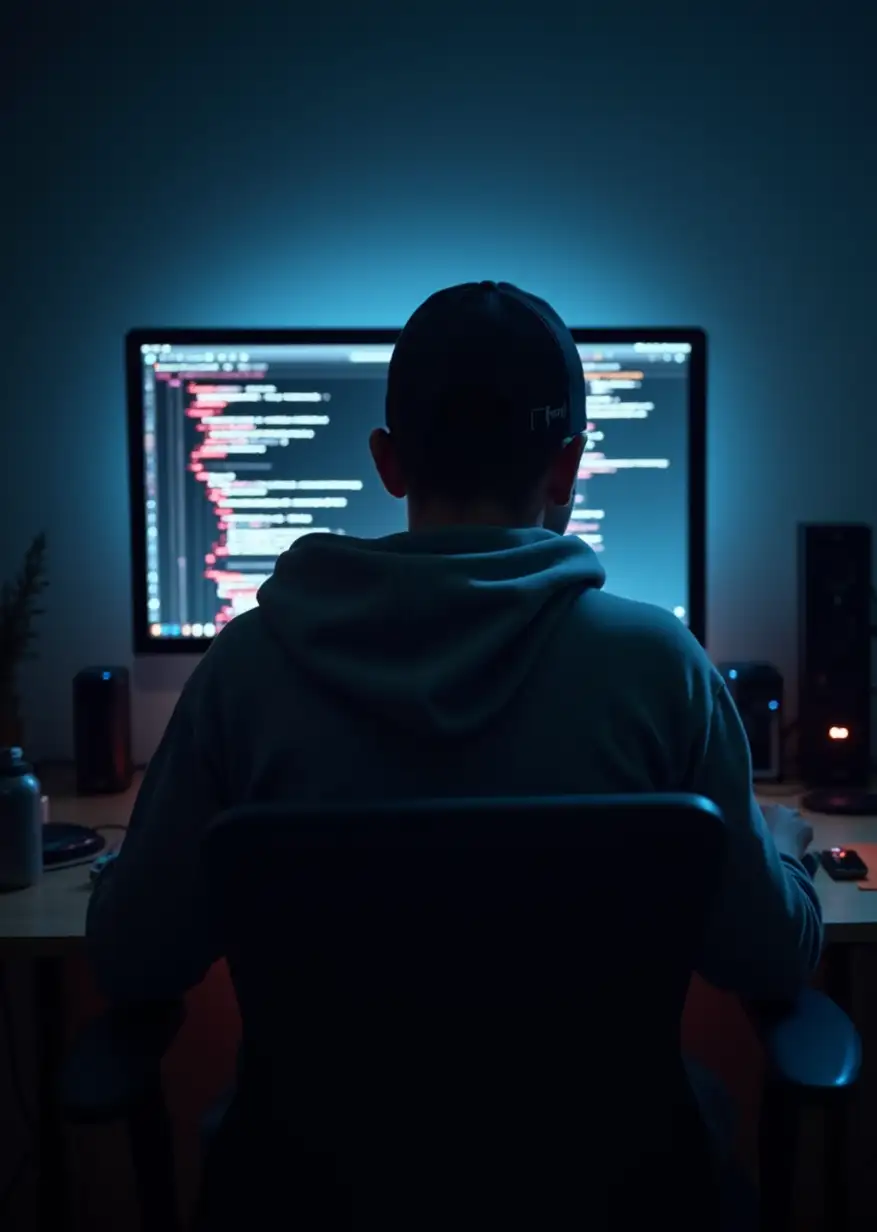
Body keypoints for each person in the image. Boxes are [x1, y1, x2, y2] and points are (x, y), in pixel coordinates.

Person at [87, 282, 821, 1204]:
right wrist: (785, 857)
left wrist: (122, 866)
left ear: (389, 463)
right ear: (568, 467)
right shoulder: (661, 671)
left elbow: (134, 958)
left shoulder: (249, 671)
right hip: (608, 1196)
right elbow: (764, 957)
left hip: (315, 1201)